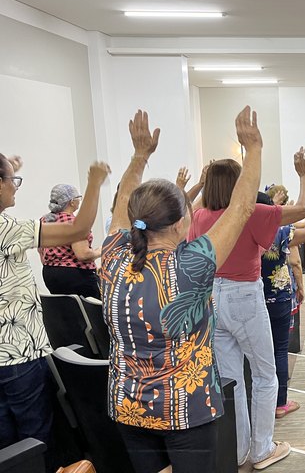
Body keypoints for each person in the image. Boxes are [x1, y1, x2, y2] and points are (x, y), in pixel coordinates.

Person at [100, 107, 263, 473]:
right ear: (181, 223)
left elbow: (122, 204)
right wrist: (253, 149)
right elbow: (241, 208)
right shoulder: (192, 265)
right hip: (186, 408)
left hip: (129, 406)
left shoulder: (113, 255)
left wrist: (140, 156)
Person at [188, 147, 305, 470]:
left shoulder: (200, 216)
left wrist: (200, 185)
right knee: (265, 374)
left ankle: (240, 448)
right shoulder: (249, 213)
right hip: (245, 295)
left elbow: (189, 215)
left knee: (232, 379)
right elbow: (300, 211)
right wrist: (304, 175)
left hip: (211, 298)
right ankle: (262, 449)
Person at [0, 154, 109, 453]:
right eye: (12, 181)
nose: (16, 187)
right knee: (36, 437)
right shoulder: (6, 229)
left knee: (9, 444)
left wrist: (9, 168)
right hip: (17, 353)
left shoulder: (26, 223)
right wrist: (95, 184)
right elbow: (78, 232)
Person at [263, 188, 305, 419]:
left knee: (260, 352)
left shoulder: (246, 229)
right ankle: (280, 403)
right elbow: (297, 256)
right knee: (280, 349)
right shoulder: (282, 230)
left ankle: (260, 403)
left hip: (257, 295)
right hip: (280, 296)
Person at [40, 184, 101, 299]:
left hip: (50, 274)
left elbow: (41, 251)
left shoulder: (44, 220)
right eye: (78, 197)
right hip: (75, 276)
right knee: (91, 312)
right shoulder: (73, 223)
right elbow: (83, 255)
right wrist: (100, 251)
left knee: (66, 311)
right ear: (72, 202)